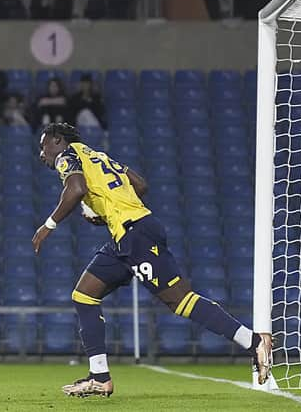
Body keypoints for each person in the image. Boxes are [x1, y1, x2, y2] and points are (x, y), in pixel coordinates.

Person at [32, 122, 273, 397]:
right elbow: (141, 185)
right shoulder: (98, 156)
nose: (42, 154)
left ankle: (253, 341)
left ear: (58, 140)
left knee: (180, 300)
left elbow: (75, 188)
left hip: (135, 234)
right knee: (84, 295)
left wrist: (48, 226)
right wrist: (109, 208)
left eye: (44, 146)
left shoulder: (67, 157)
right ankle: (99, 376)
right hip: (126, 234)